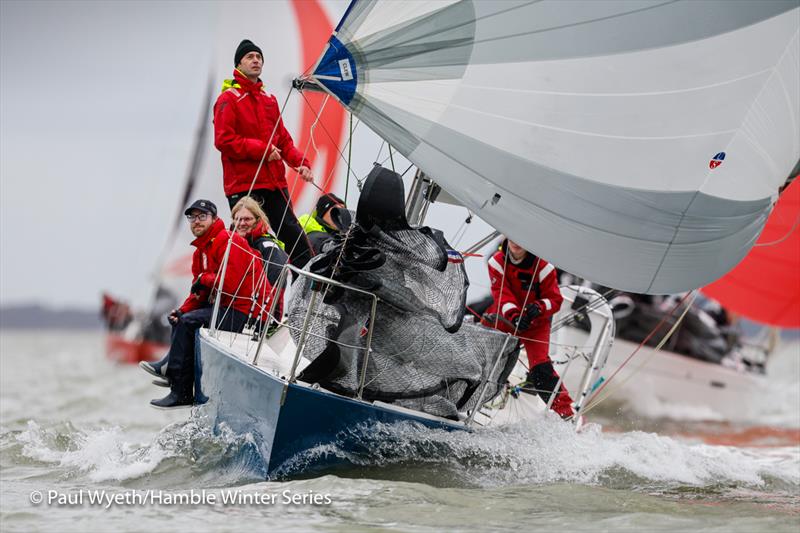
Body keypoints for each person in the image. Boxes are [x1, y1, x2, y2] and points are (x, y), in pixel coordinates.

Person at [143, 199, 269, 409]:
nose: (197, 221)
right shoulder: (199, 252)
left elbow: (230, 284)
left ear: (214, 219)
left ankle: (181, 391)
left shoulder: (229, 241)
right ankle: (173, 373)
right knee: (182, 318)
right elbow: (198, 292)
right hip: (225, 307)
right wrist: (181, 310)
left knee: (190, 322)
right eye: (192, 217)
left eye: (203, 217)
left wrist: (205, 279)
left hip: (245, 313)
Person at [214, 38, 315, 267]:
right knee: (249, 244)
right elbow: (224, 140)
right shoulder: (228, 99)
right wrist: (263, 151)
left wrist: (302, 163)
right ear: (238, 64)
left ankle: (309, 294)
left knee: (295, 239)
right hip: (245, 187)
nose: (256, 60)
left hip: (273, 183)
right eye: (250, 56)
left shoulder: (269, 100)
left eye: (258, 57)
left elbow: (284, 140)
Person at [482, 238, 576, 419]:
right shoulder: (496, 261)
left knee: (541, 370)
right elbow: (501, 294)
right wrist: (515, 316)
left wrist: (539, 307)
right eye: (513, 237)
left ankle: (565, 414)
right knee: (482, 355)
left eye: (523, 239)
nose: (517, 242)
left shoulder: (544, 266)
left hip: (536, 324)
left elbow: (555, 300)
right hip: (505, 318)